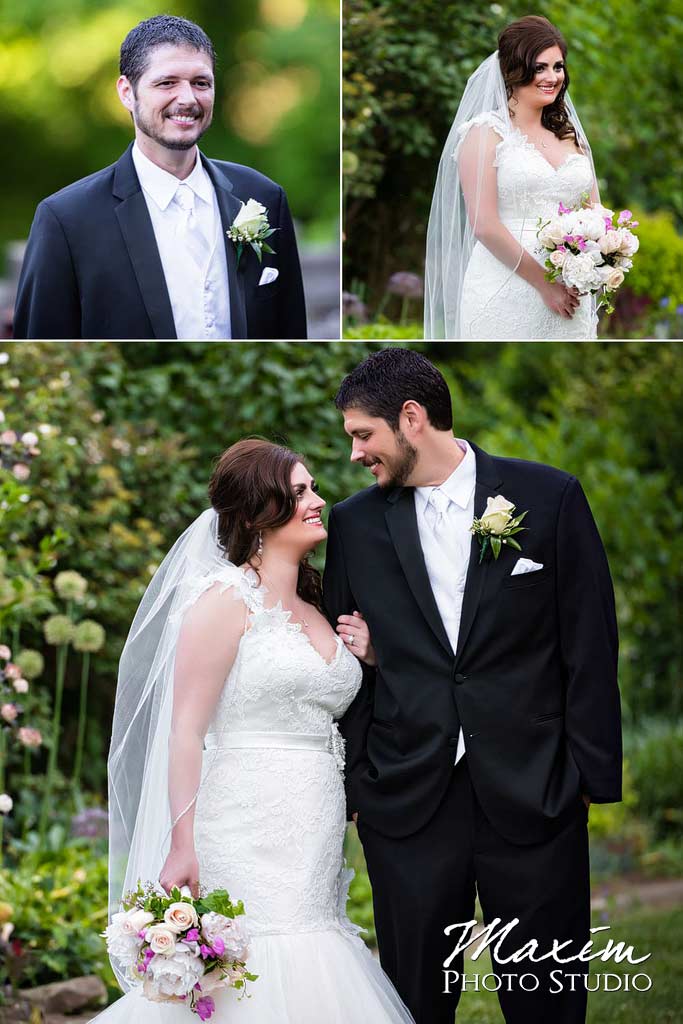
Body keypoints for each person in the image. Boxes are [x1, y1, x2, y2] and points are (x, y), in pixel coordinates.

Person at [323, 348, 622, 1024]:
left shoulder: (548, 497)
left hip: (535, 788)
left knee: (547, 999)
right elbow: (348, 665)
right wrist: (357, 786)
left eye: (362, 434)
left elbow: (587, 643)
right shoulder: (354, 524)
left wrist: (587, 776)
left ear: (412, 417)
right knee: (414, 1000)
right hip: (407, 800)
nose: (354, 454)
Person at [96, 439, 413, 1023]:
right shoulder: (223, 599)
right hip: (242, 817)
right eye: (298, 494)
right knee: (257, 956)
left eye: (313, 487)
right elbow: (185, 731)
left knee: (315, 942)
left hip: (313, 819)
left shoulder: (322, 605)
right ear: (255, 515)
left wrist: (371, 658)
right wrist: (182, 842)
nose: (317, 501)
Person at [14, 16, 307, 340]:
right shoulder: (66, 220)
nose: (187, 99)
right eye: (167, 83)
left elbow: (290, 328)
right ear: (127, 92)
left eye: (201, 83)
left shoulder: (263, 196)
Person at [424, 15, 600, 340]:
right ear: (514, 70)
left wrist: (603, 254)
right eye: (540, 67)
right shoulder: (485, 133)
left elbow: (594, 213)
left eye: (558, 66)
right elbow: (484, 224)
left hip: (571, 288)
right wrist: (545, 285)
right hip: (505, 286)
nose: (552, 77)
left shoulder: (570, 135)